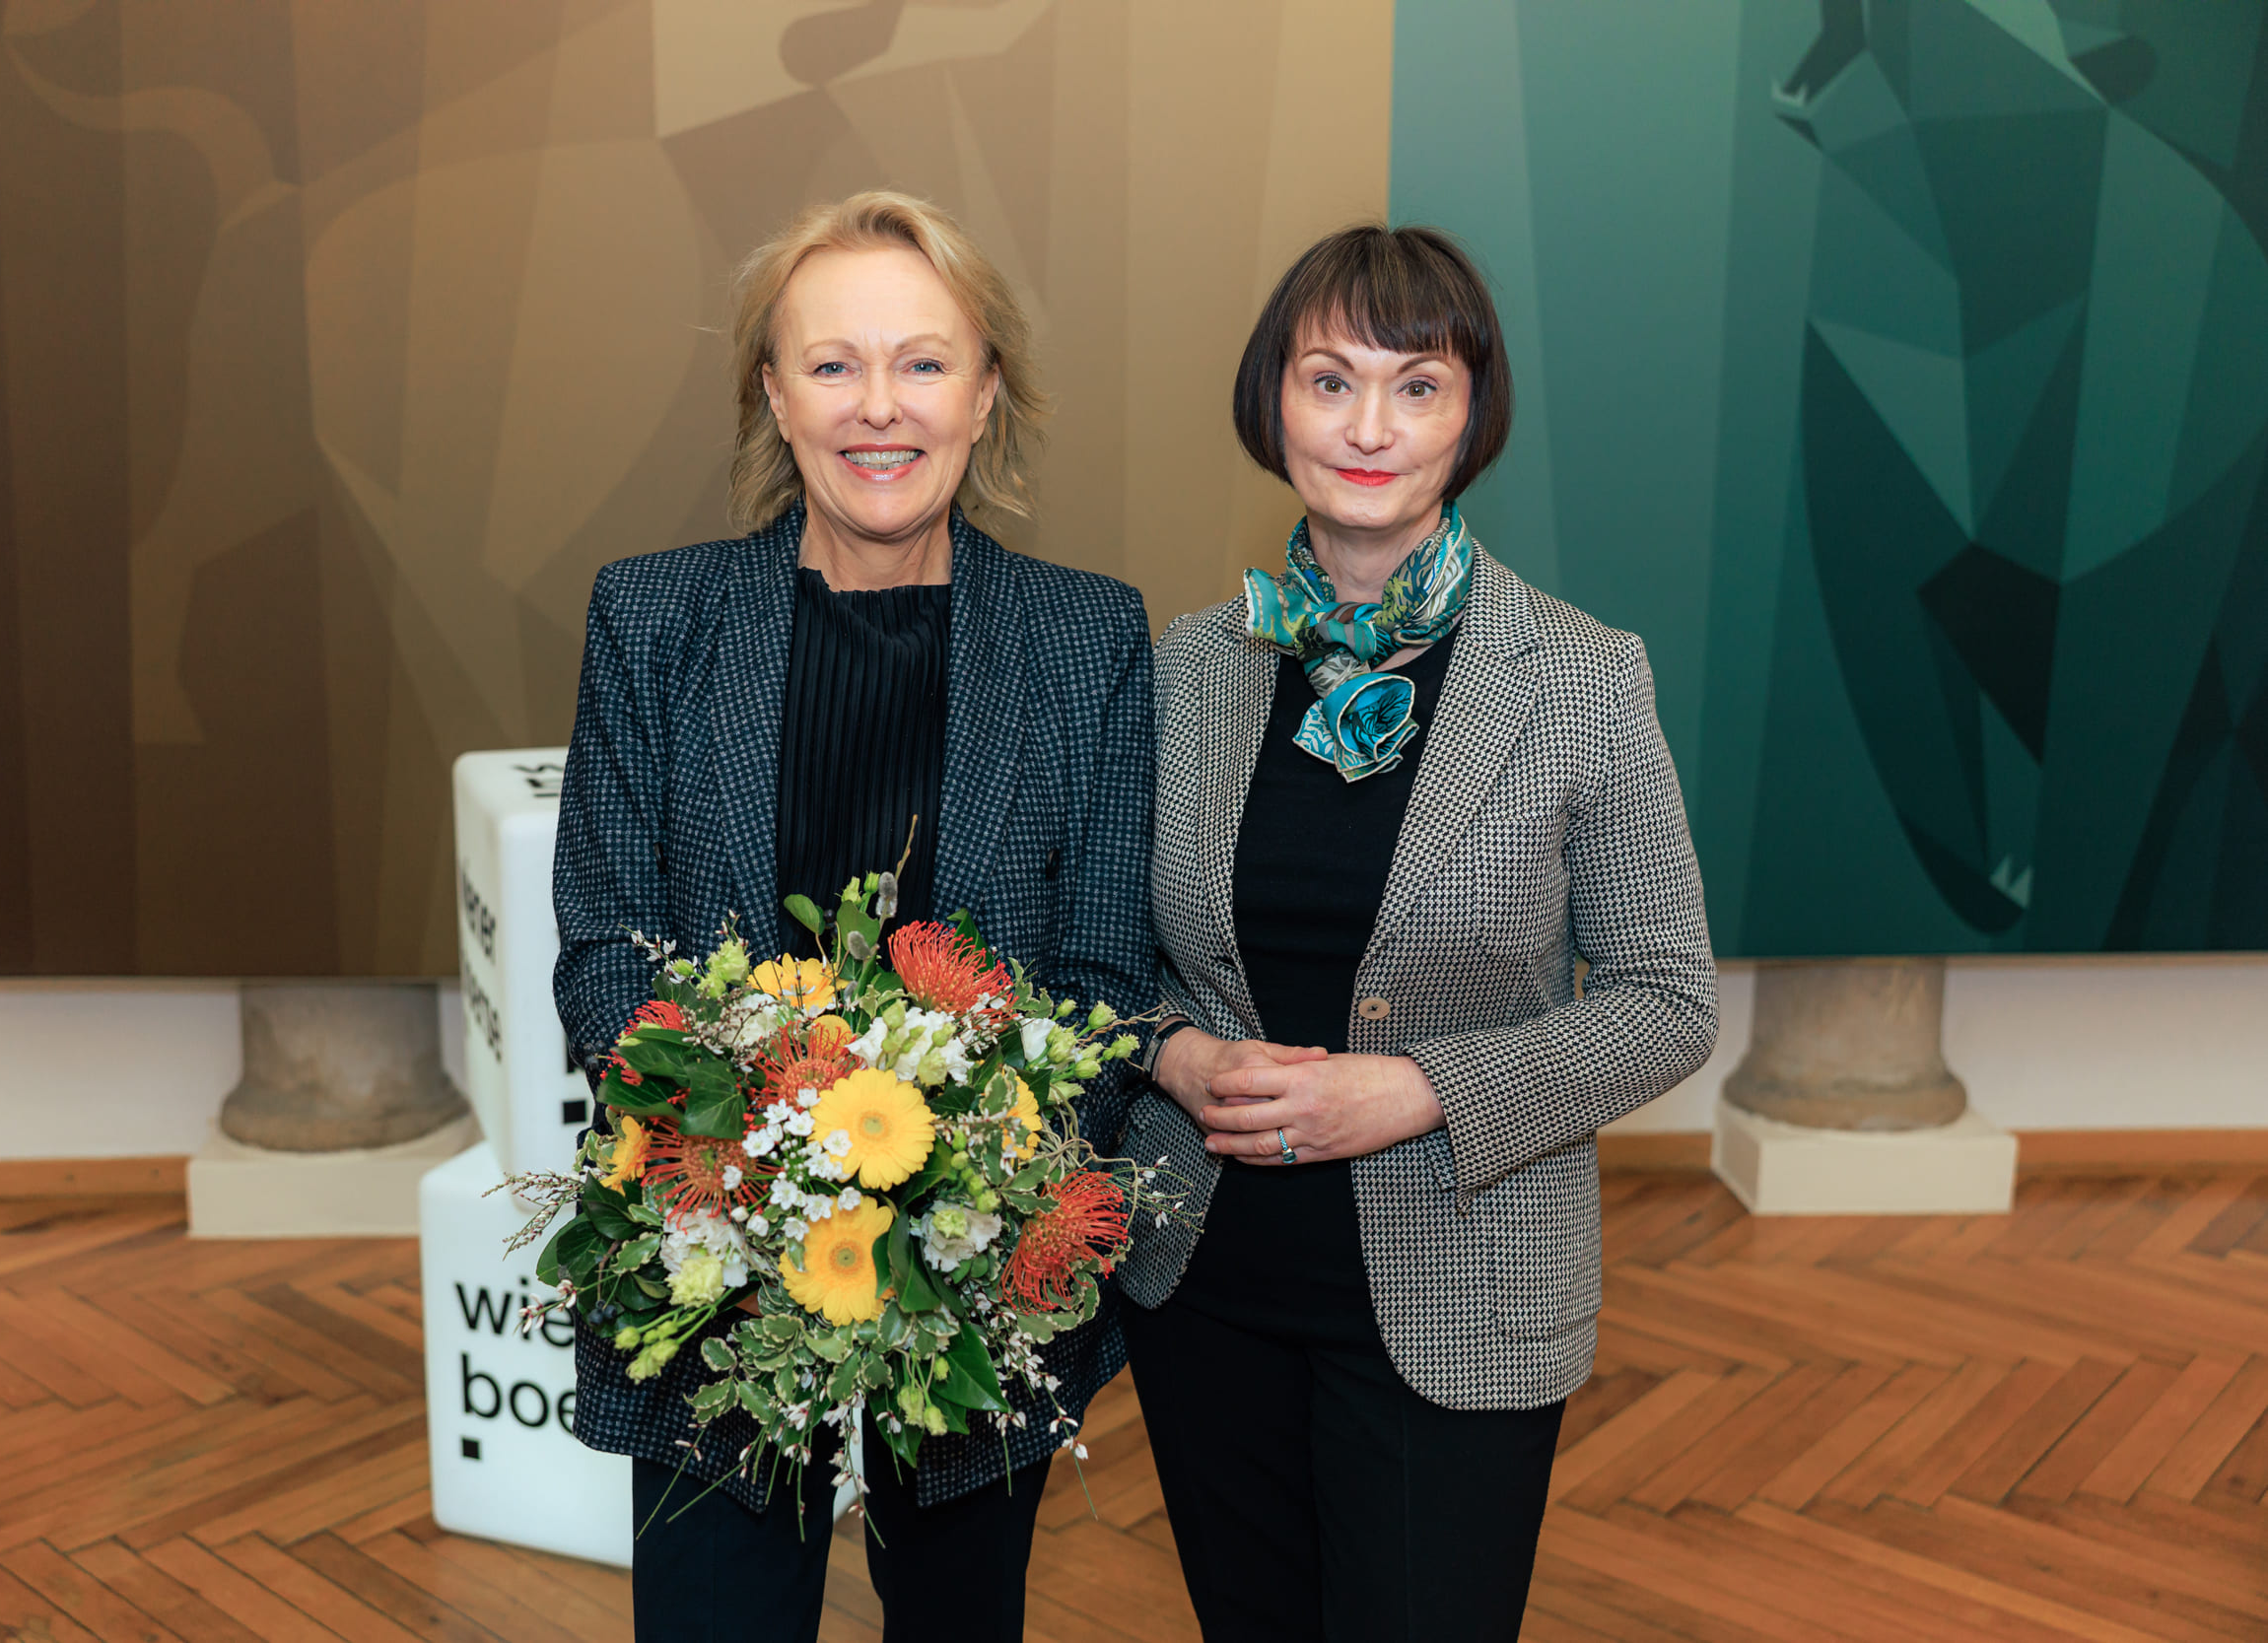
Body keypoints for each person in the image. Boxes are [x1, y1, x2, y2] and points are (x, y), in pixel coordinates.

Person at [550, 190, 1155, 1643]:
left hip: (976, 1266)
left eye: (924, 362)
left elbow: (1102, 977)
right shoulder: (652, 620)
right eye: (833, 365)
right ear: (775, 394)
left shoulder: (1089, 638)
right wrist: (754, 1160)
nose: (879, 406)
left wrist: (961, 1181)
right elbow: (601, 947)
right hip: (710, 1247)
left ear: (986, 391)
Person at [1120, 224, 1718, 1642]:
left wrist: (1423, 1089)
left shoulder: (1580, 677)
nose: (1370, 427)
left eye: (1418, 385)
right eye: (1330, 381)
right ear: (1273, 402)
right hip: (1206, 1283)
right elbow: (1103, 959)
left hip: (1464, 1284)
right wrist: (1178, 1055)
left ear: (1473, 414)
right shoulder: (1184, 668)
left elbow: (1668, 1000)